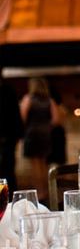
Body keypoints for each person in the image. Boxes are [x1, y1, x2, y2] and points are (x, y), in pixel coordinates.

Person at [20, 77, 60, 202]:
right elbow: (56, 120)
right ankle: (46, 192)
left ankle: (39, 193)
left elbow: (22, 117)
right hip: (45, 135)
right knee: (43, 164)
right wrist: (46, 126)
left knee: (35, 165)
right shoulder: (50, 101)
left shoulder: (28, 99)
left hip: (32, 134)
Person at [0, 66, 24, 197]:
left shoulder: (8, 91)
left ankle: (9, 203)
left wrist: (16, 137)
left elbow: (15, 116)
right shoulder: (9, 91)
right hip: (9, 138)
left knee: (8, 173)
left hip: (8, 139)